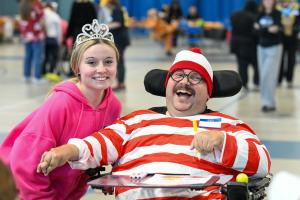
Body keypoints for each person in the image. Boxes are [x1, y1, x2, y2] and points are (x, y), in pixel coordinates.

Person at [37, 47, 271, 199]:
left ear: (208, 93)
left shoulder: (226, 124)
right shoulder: (137, 120)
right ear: (168, 85)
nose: (185, 82)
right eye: (178, 76)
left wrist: (222, 141)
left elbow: (262, 162)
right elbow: (100, 143)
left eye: (196, 78)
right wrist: (66, 150)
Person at [0, 20, 122, 199]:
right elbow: (25, 161)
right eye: (91, 62)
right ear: (76, 67)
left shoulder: (113, 105)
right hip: (22, 190)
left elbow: (98, 149)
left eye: (108, 62)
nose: (101, 69)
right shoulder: (61, 103)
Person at [254, 0, 282, 112]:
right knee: (263, 76)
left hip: (274, 47)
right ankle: (268, 103)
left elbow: (277, 29)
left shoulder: (277, 13)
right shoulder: (259, 13)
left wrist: (261, 28)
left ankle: (268, 102)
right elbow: (256, 30)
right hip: (261, 47)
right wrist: (267, 29)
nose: (268, 1)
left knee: (268, 75)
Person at [230, 0, 259, 91]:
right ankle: (256, 83)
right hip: (250, 45)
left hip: (237, 45)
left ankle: (244, 84)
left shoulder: (235, 15)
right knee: (257, 65)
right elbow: (255, 33)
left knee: (242, 66)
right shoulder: (254, 17)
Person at [106, 0, 131, 91]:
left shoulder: (116, 10)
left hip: (119, 40)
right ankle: (120, 83)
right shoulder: (119, 8)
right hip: (121, 39)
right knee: (119, 61)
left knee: (119, 62)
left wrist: (104, 27)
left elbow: (117, 23)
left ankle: (120, 83)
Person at [18, 0, 46, 84]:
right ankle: (37, 77)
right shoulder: (37, 4)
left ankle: (26, 76)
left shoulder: (23, 3)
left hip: (26, 34)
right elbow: (42, 19)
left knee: (28, 56)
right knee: (37, 57)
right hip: (36, 35)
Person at [277, 0, 300, 88]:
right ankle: (279, 79)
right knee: (280, 59)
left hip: (293, 37)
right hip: (281, 37)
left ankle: (289, 79)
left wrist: (297, 29)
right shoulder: (277, 7)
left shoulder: (296, 7)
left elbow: (298, 21)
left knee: (291, 59)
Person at [42, 2, 62, 82]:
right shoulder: (55, 16)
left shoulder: (42, 14)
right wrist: (59, 41)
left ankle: (43, 72)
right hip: (53, 39)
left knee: (45, 57)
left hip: (44, 39)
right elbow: (58, 31)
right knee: (53, 57)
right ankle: (51, 72)